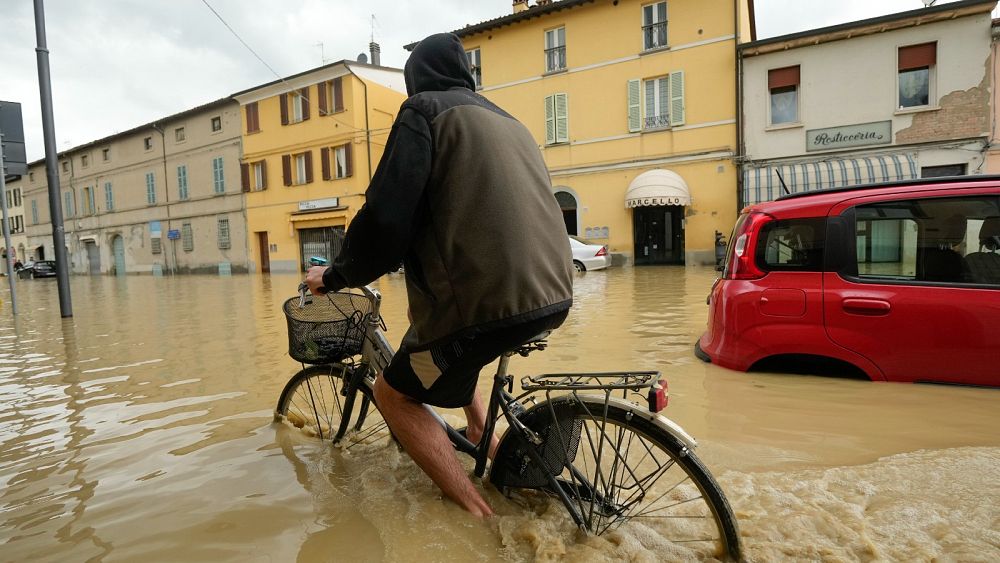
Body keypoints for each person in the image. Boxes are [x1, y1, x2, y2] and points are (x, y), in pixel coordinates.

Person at [305, 32, 573, 517]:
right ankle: (482, 431)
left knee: (393, 394)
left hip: (487, 301)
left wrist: (336, 276)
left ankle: (476, 515)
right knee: (442, 334)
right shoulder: (509, 121)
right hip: (553, 290)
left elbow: (386, 216)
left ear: (417, 78)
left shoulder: (423, 110)